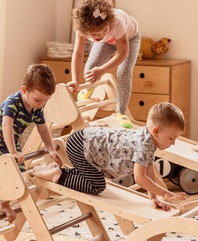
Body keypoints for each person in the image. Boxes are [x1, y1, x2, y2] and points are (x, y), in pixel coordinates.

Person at [32, 102, 186, 211]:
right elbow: (140, 178)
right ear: (156, 131)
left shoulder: (149, 140)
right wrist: (165, 193)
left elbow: (149, 172)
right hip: (81, 147)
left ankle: (58, 171)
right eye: (172, 138)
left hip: (85, 144)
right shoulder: (144, 145)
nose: (173, 143)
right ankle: (57, 175)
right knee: (97, 185)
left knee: (93, 177)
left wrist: (153, 198)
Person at [0, 64, 63, 223]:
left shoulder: (36, 108)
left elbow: (42, 128)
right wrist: (12, 151)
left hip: (12, 142)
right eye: (37, 99)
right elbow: (6, 125)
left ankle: (3, 203)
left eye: (45, 101)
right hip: (5, 141)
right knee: (6, 175)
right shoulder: (12, 103)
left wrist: (50, 149)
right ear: (24, 90)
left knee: (19, 177)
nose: (40, 104)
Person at [68, 0, 141, 129]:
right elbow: (78, 53)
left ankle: (121, 112)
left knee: (124, 72)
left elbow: (123, 53)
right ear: (85, 30)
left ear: (108, 24)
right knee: (90, 68)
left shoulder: (117, 23)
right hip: (108, 42)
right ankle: (89, 88)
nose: (101, 35)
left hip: (130, 38)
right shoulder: (83, 30)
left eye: (104, 30)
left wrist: (101, 70)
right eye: (95, 34)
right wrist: (75, 79)